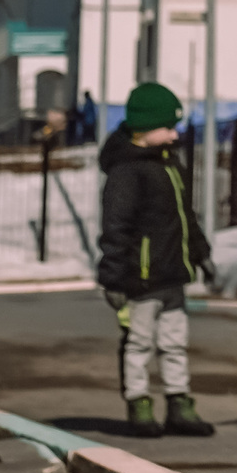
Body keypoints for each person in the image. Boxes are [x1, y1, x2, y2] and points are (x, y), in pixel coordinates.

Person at [96, 82, 218, 440]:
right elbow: (115, 230)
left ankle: (180, 403)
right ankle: (139, 403)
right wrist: (114, 279)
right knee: (139, 343)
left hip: (172, 276)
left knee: (174, 342)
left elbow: (185, 217)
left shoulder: (169, 165)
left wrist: (201, 253)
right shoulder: (126, 173)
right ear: (143, 128)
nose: (174, 133)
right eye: (168, 126)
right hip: (140, 280)